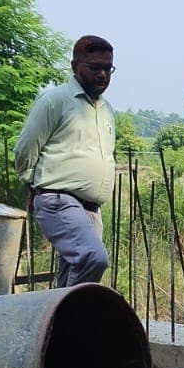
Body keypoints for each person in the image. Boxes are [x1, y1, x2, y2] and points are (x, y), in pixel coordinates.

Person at [13, 35, 117, 287]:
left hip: (91, 209)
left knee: (74, 276)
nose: (102, 74)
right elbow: (25, 148)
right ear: (75, 67)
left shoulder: (105, 109)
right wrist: (34, 184)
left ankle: (56, 323)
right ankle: (69, 319)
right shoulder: (55, 100)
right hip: (59, 200)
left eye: (108, 68)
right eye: (95, 68)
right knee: (93, 258)